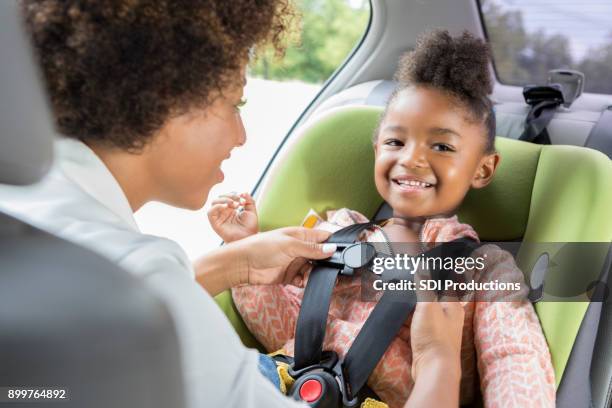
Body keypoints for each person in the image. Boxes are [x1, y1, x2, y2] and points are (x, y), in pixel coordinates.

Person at [0, 2, 465, 407]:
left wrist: (233, 264)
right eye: (234, 104)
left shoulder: (30, 220)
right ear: (167, 100)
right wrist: (438, 362)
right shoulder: (137, 274)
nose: (241, 136)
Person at [215, 31, 556, 407]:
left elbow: (514, 357)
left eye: (441, 146)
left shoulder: (485, 270)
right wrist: (242, 248)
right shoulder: (338, 230)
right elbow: (279, 325)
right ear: (377, 148)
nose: (410, 158)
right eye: (396, 142)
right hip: (280, 381)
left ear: (482, 168)